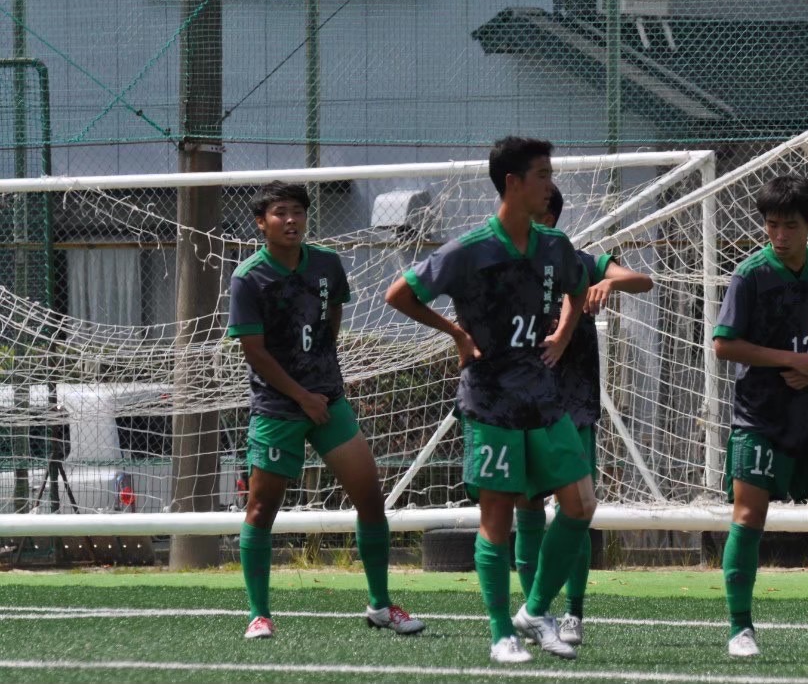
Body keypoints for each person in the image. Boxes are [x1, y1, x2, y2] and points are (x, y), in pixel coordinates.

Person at [384, 137, 593, 664]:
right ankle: (501, 633)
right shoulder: (468, 249)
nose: (551, 186)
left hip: (544, 399)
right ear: (512, 184)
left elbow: (579, 288)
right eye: (542, 175)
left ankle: (535, 610)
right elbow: (399, 294)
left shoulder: (555, 245)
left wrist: (564, 335)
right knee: (496, 520)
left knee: (580, 506)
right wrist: (456, 333)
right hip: (491, 402)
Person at [228, 181, 423, 641]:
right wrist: (301, 395)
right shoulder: (248, 278)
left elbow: (332, 316)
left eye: (297, 211)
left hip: (329, 403)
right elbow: (254, 351)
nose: (291, 220)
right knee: (261, 509)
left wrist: (320, 379)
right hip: (278, 409)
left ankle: (380, 605)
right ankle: (259, 614)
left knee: (371, 499)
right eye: (280, 212)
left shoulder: (327, 264)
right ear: (261, 223)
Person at [711, 175, 808, 659]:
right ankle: (740, 628)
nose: (779, 235)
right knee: (748, 518)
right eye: (771, 225)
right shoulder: (750, 275)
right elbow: (723, 345)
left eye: (789, 226)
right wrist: (792, 360)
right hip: (759, 419)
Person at [513, 185, 653, 647]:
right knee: (527, 506)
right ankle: (537, 611)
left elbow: (642, 280)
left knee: (574, 508)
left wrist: (611, 283)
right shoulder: (508, 267)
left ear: (549, 218)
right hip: (524, 403)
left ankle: (573, 612)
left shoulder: (580, 262)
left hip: (573, 404)